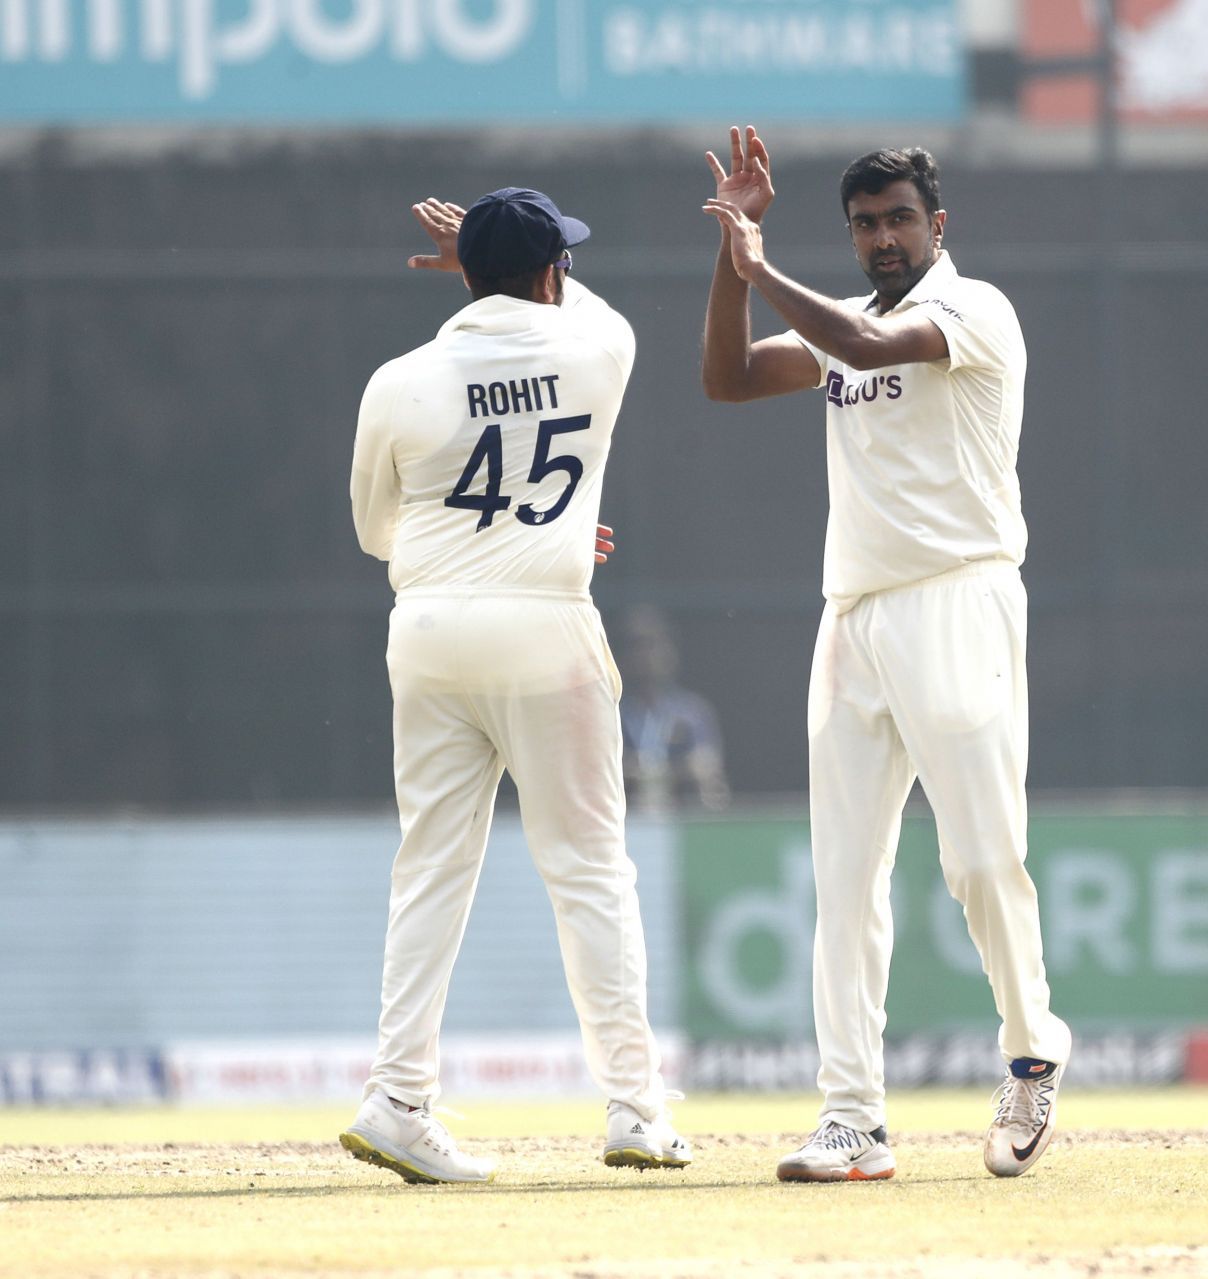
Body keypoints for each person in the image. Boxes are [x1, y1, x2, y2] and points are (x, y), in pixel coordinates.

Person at [700, 127, 1071, 1181]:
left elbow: (868, 352)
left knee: (980, 858)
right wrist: (737, 251)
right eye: (864, 225)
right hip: (853, 615)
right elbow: (726, 378)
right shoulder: (844, 319)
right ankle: (853, 1119)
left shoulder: (973, 309)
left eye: (899, 219)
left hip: (959, 597)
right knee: (846, 875)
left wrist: (761, 266)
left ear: (937, 224)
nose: (882, 239)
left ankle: (1034, 1053)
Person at [344, 189, 688, 1183]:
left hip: (432, 629)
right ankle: (634, 1110)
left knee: (430, 869)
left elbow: (378, 533)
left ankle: (399, 1097)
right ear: (549, 276)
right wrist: (546, 532)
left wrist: (487, 532)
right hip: (544, 630)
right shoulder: (598, 348)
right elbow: (585, 311)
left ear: (465, 277)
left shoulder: (399, 380)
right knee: (588, 869)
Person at [618, 605, 730, 813]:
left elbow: (705, 764)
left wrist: (652, 772)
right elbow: (606, 768)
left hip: (682, 812)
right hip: (627, 815)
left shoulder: (691, 711)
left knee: (714, 789)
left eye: (654, 645)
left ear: (670, 652)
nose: (646, 656)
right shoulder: (615, 713)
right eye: (637, 647)